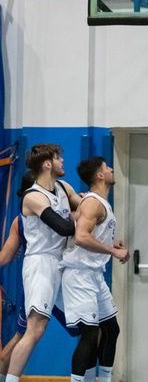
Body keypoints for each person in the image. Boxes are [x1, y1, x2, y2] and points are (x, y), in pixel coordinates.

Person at [5, 144, 82, 382]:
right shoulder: (34, 197)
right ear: (47, 164)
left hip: (63, 263)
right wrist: (80, 219)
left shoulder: (64, 187)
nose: (62, 161)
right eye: (58, 158)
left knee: (91, 325)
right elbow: (63, 228)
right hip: (41, 264)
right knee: (35, 329)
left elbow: (88, 211)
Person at [59, 156, 130, 382]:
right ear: (100, 175)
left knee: (110, 328)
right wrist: (112, 252)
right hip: (79, 275)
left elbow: (91, 234)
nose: (111, 169)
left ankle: (104, 379)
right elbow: (81, 237)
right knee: (89, 334)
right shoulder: (92, 203)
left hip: (94, 275)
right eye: (107, 167)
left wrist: (111, 244)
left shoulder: (100, 202)